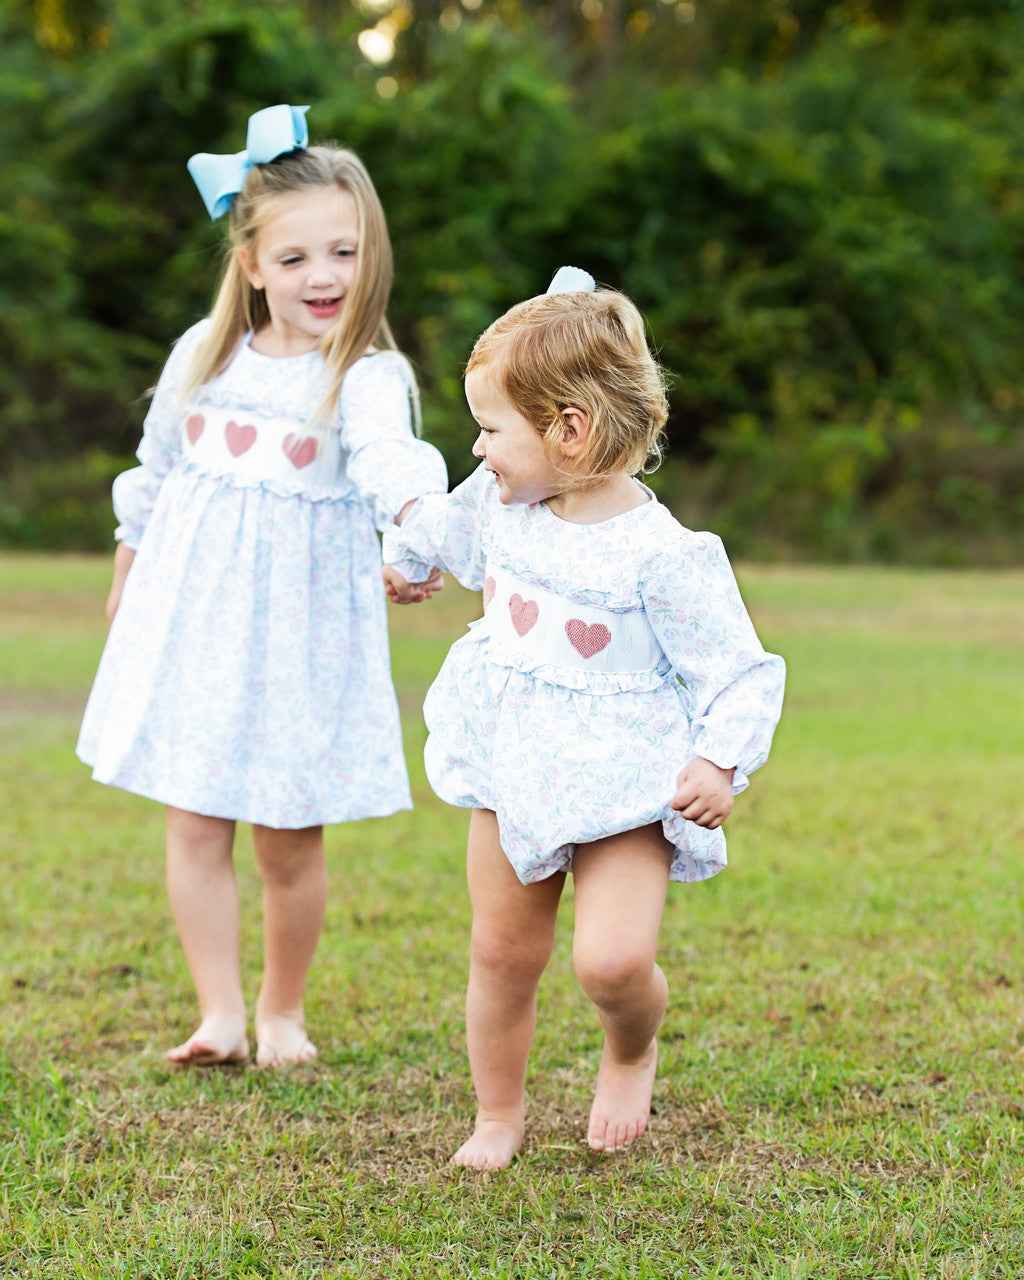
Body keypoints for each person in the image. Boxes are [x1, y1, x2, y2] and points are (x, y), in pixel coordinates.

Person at [381, 268, 785, 1168]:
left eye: (491, 430)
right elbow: (443, 531)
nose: (478, 451)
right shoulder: (500, 504)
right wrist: (407, 559)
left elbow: (740, 670)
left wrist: (719, 762)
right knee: (501, 952)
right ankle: (497, 1115)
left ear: (570, 432)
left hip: (626, 778)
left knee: (607, 962)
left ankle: (631, 1044)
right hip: (515, 757)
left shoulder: (666, 556)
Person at [77, 105, 446, 1069]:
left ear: (372, 256)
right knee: (194, 820)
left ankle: (282, 1011)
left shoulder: (363, 375)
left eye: (344, 252)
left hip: (298, 635)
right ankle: (220, 1013)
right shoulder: (203, 358)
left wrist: (419, 530)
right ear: (250, 266)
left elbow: (390, 463)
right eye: (294, 260)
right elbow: (152, 478)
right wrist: (128, 577)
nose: (323, 276)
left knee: (287, 840)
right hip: (191, 621)